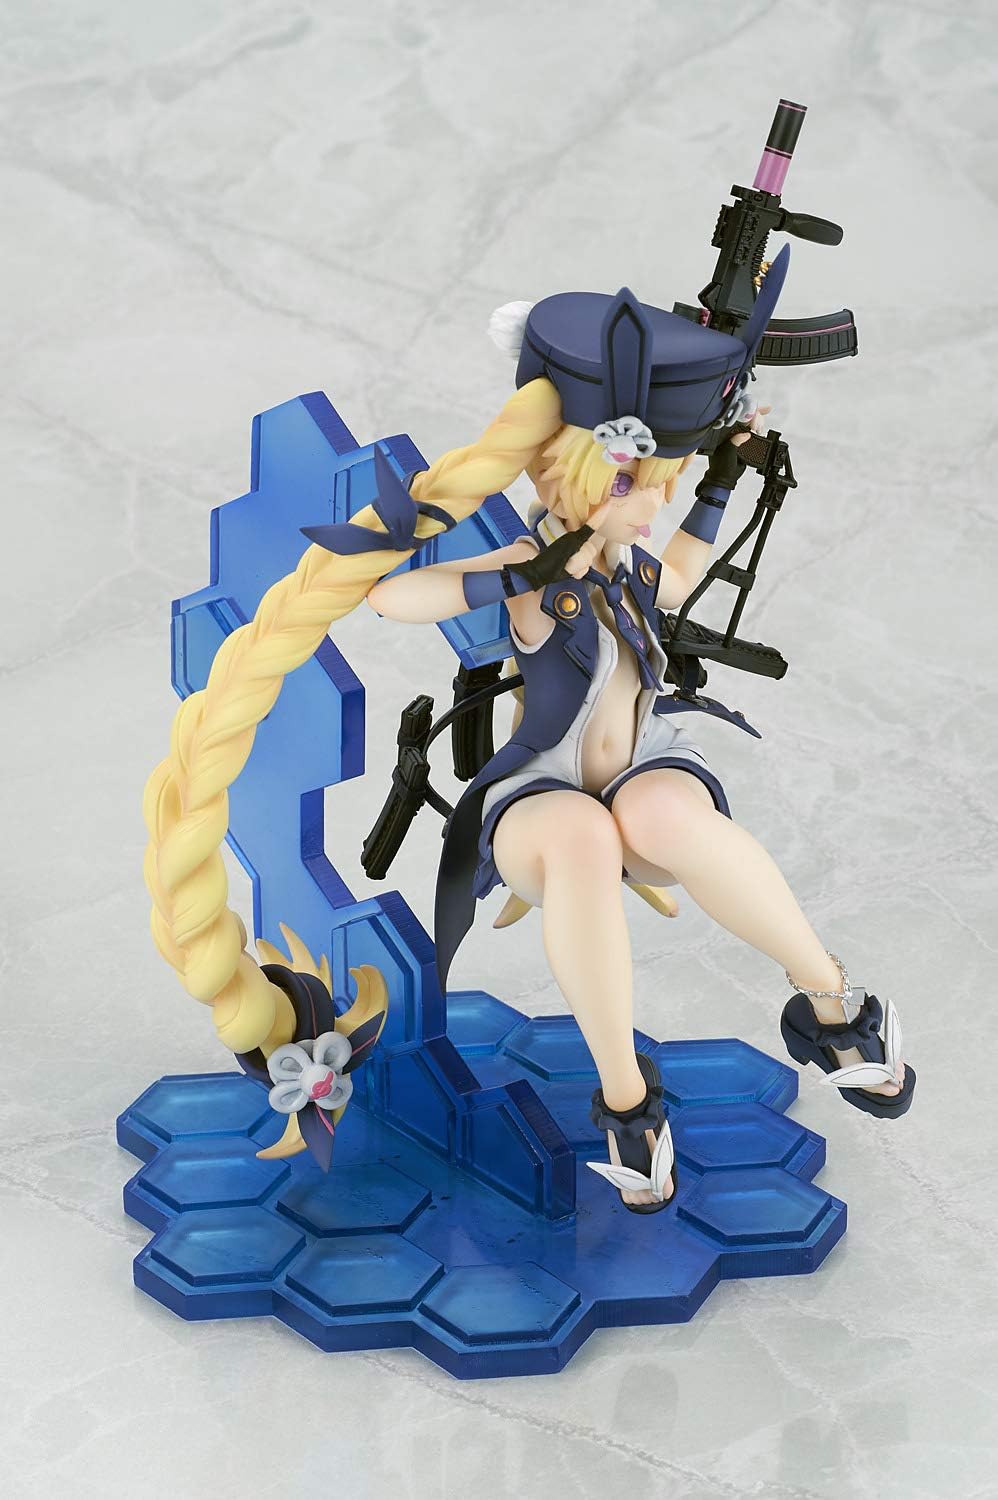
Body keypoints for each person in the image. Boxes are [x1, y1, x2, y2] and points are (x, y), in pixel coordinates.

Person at [144, 251, 914, 1208]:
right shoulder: (529, 568)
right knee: (586, 839)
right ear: (576, 477)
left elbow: (680, 575)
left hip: (640, 768)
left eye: (663, 482)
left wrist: (721, 480)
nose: (656, 502)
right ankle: (628, 1103)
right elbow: (391, 597)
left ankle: (831, 1002)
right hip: (541, 791)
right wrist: (516, 574)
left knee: (666, 817)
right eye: (640, 485)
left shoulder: (632, 565)